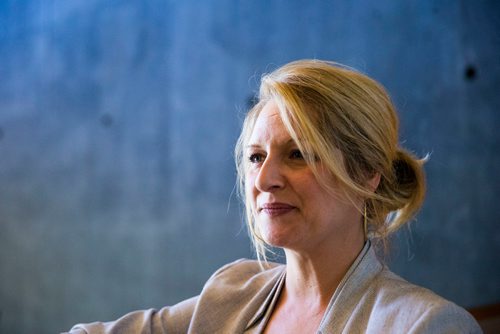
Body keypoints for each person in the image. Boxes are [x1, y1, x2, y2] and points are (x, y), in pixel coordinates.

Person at [64, 60, 482, 333]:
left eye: (297, 154)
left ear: (367, 173)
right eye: (255, 156)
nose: (264, 178)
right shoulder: (234, 292)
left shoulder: (427, 324)